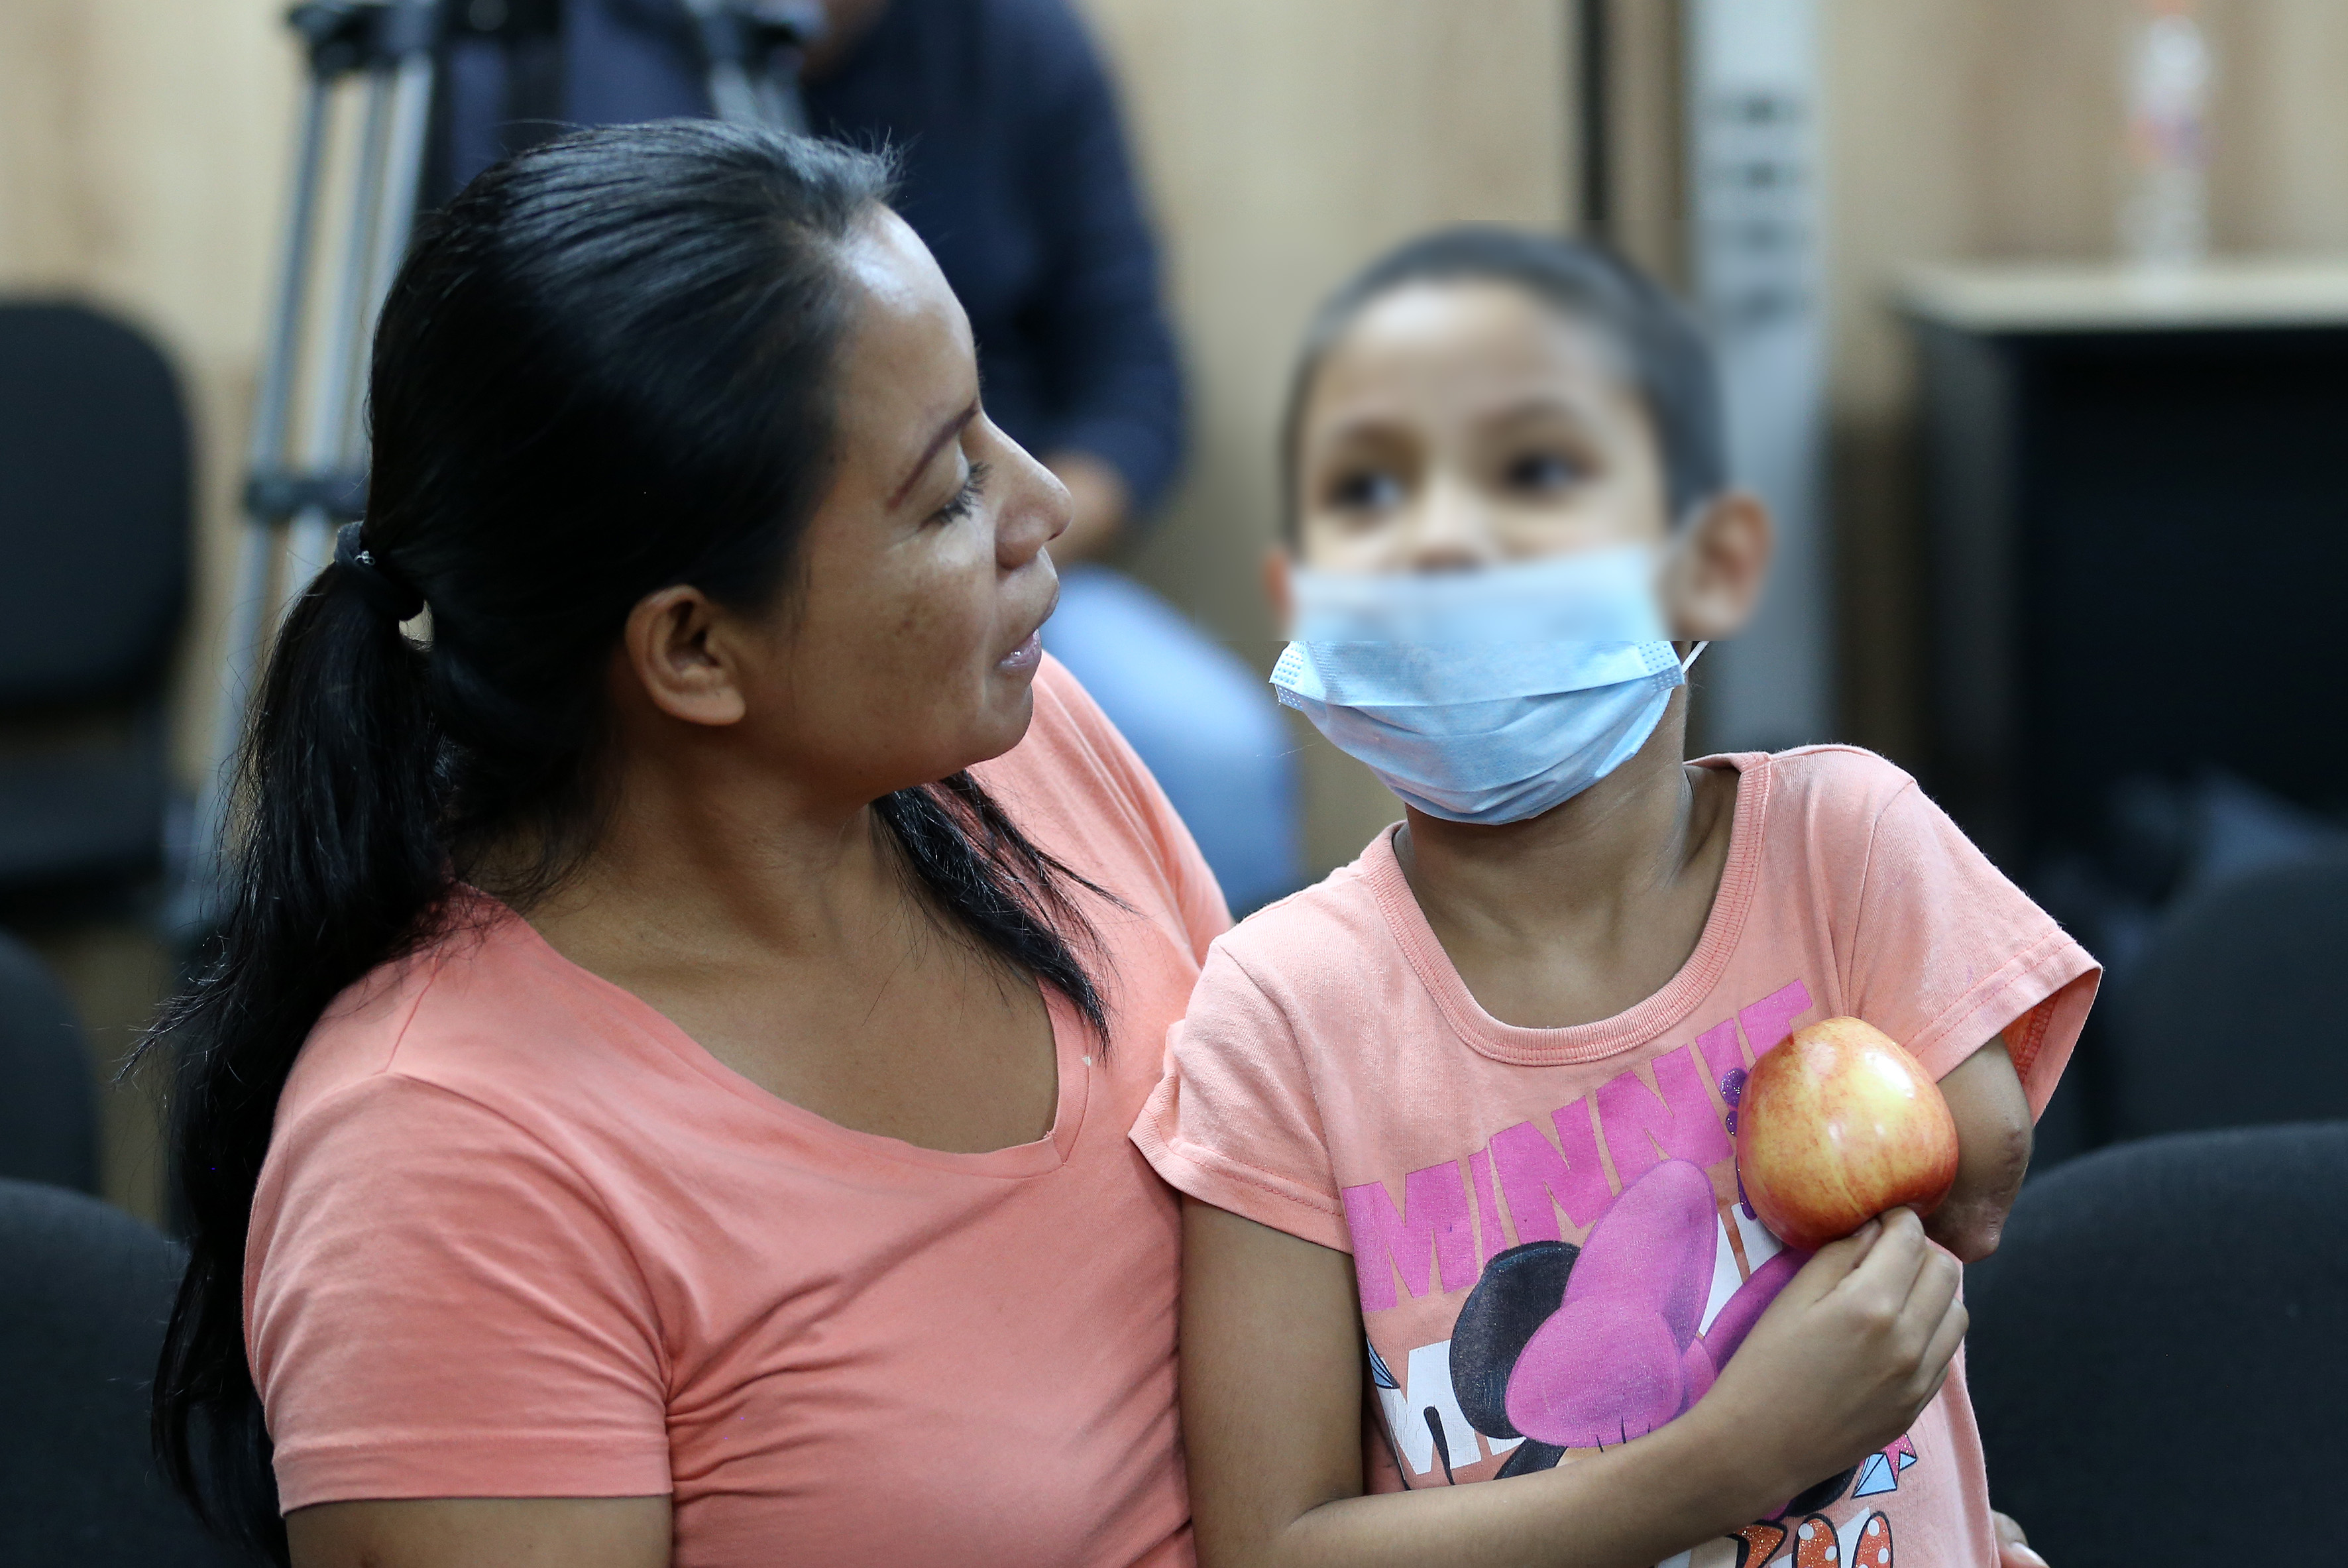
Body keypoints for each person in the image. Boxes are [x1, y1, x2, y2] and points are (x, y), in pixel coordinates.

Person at [151, 123, 1224, 1567]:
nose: (1039, 507)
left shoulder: (1033, 759)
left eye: (992, 428)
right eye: (947, 492)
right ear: (695, 648)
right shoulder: (445, 1163)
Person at [1131, 229, 2100, 1567]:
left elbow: (1974, 1183)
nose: (1444, 540)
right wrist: (1724, 1462)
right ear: (1298, 595)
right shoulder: (1278, 1012)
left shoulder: (1843, 842)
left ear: (1709, 559)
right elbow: (1272, 1546)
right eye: (1369, 488)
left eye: (1530, 471)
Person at [445, 0, 1304, 910]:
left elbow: (1131, 387)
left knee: (1210, 750)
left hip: (992, 560)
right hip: (729, 575)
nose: (1044, 499)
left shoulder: (1020, 41)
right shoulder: (536, 47)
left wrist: (975, 540)